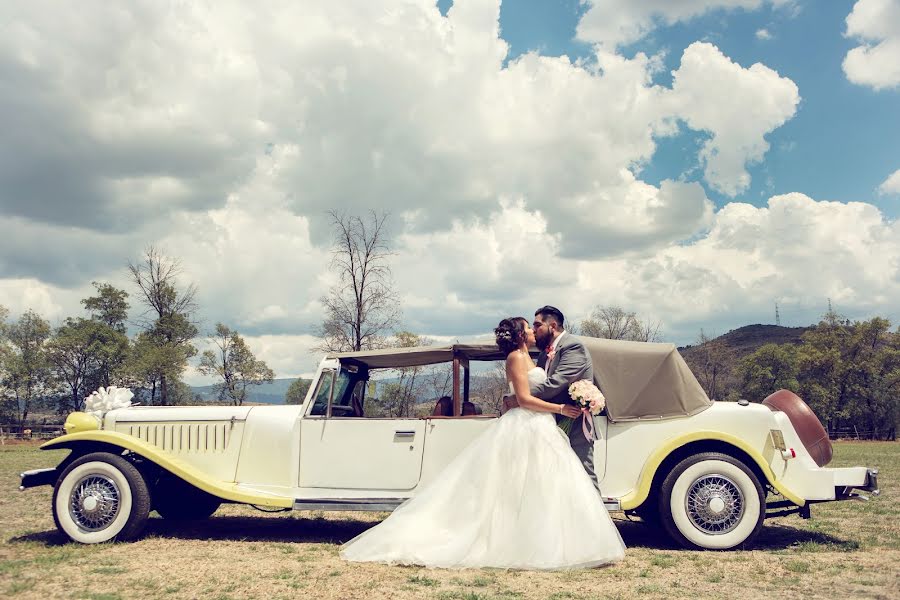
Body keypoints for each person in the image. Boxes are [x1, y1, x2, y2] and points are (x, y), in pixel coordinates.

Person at [340, 317, 625, 570]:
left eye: (533, 326)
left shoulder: (535, 358)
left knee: (544, 483)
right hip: (524, 424)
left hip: (540, 425)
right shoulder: (515, 357)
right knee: (513, 484)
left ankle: (541, 537)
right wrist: (561, 410)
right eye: (528, 328)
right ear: (518, 335)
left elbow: (536, 390)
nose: (531, 332)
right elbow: (524, 398)